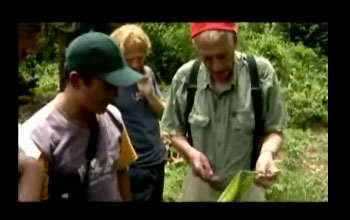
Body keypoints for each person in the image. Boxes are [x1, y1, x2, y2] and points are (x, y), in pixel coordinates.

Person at [160, 22, 287, 201]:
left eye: (222, 56)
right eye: (207, 58)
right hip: (199, 190)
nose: (217, 66)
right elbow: (174, 131)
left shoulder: (260, 74)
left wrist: (267, 153)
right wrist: (190, 153)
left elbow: (274, 130)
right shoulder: (185, 78)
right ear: (197, 51)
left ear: (235, 42)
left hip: (247, 188)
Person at [18, 32, 143, 201]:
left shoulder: (113, 117)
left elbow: (121, 170)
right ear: (76, 80)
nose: (115, 95)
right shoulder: (38, 139)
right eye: (107, 86)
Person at [110, 24, 167, 201]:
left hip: (157, 158)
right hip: (134, 165)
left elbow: (164, 114)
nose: (136, 64)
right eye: (129, 59)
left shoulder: (147, 73)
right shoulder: (112, 83)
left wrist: (149, 95)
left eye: (140, 58)